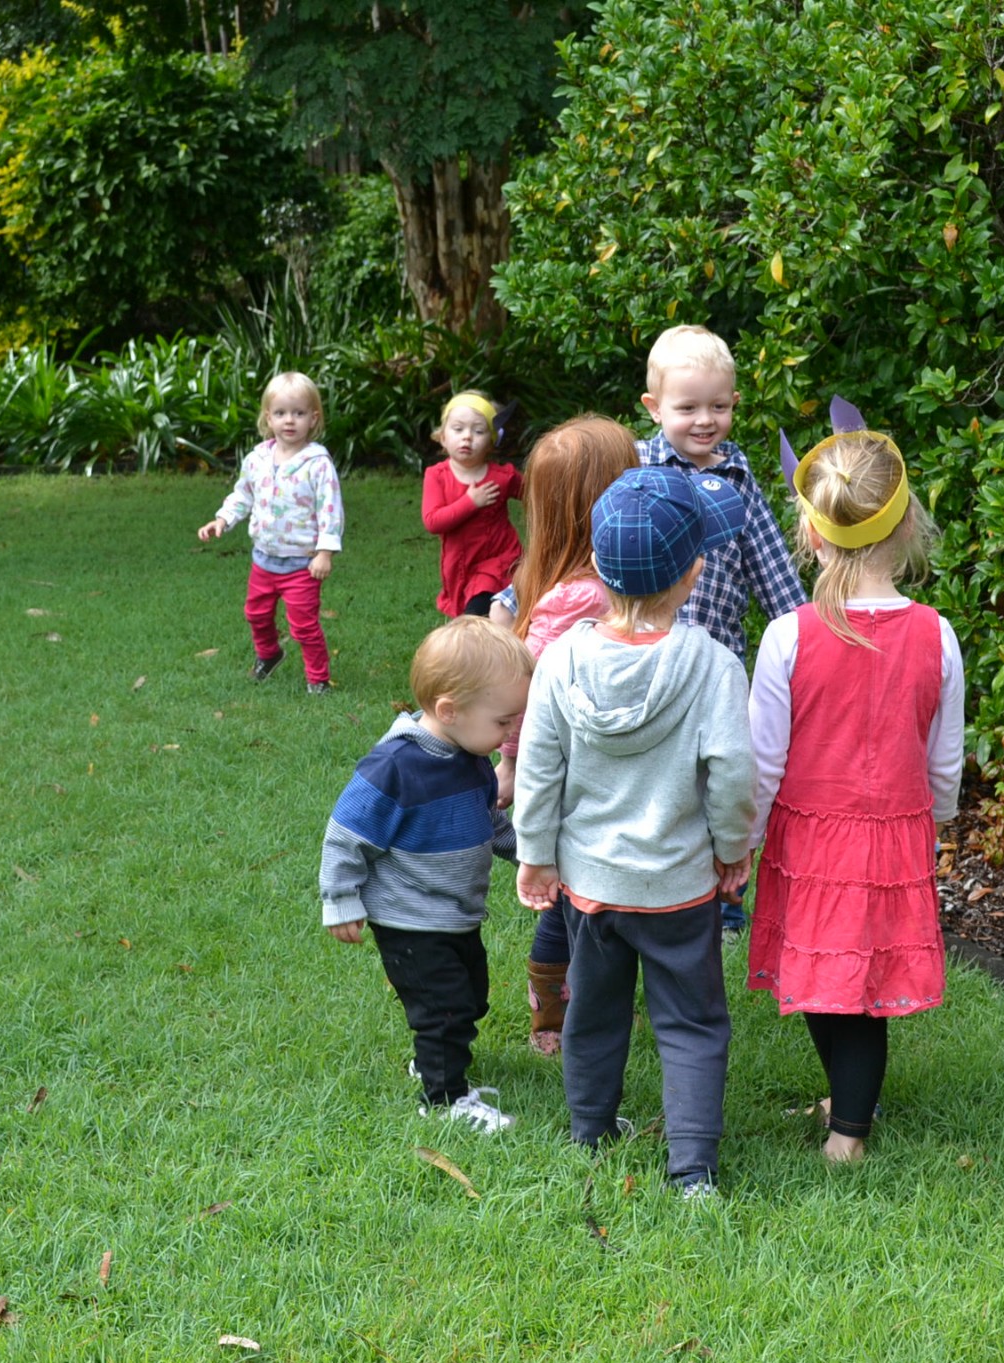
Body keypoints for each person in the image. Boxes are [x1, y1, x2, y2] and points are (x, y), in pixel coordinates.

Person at [514, 465, 758, 1197]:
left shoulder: (561, 660)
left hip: (590, 887)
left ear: (597, 564)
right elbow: (733, 776)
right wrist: (732, 850)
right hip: (678, 888)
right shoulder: (713, 666)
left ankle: (590, 1128)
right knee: (691, 1023)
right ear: (693, 574)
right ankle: (693, 1170)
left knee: (593, 1010)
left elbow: (538, 768)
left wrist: (535, 855)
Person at [747, 409, 964, 1164]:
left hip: (810, 838)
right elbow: (944, 755)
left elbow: (763, 760)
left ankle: (848, 1135)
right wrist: (937, 817)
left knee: (838, 981)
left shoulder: (787, 635)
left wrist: (742, 840)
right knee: (844, 979)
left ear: (811, 535)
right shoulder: (936, 634)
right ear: (907, 528)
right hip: (888, 835)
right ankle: (849, 1098)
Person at [320, 617, 535, 1133]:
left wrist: (532, 854)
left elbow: (488, 822)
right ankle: (444, 1099)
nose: (511, 734)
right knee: (445, 1008)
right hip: (410, 919)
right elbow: (346, 834)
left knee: (471, 997)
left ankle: (434, 1058)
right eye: (503, 722)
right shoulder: (394, 767)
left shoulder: (471, 758)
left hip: (456, 914)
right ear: (449, 710)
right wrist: (340, 899)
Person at [636, 325, 809, 937]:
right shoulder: (635, 469)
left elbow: (772, 568)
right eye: (687, 408)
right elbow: (594, 549)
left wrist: (808, 638)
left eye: (718, 406)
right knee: (657, 777)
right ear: (655, 408)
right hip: (646, 660)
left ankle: (726, 897)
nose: (705, 420)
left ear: (734, 402)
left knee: (722, 778)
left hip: (718, 665)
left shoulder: (738, 477)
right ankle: (650, 883)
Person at [483, 416, 638, 1056]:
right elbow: (531, 691)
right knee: (565, 904)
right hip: (572, 778)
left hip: (596, 774)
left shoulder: (568, 581)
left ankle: (578, 1005)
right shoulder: (580, 596)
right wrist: (511, 762)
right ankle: (553, 1017)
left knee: (576, 899)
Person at [197, 372, 343, 694]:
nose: (289, 420)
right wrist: (222, 519)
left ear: (313, 418)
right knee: (256, 614)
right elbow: (243, 495)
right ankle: (269, 654)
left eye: (298, 413)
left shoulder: (317, 463)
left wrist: (325, 552)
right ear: (268, 417)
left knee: (304, 626)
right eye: (280, 413)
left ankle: (318, 679)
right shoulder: (257, 459)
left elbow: (330, 510)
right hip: (263, 560)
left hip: (302, 564)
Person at [421, 391, 524, 617]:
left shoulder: (502, 477)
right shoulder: (436, 476)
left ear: (491, 441)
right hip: (459, 565)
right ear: (443, 437)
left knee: (475, 615)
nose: (467, 437)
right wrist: (470, 502)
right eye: (458, 429)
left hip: (499, 559)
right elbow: (432, 521)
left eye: (478, 431)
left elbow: (536, 493)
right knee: (475, 616)